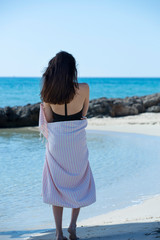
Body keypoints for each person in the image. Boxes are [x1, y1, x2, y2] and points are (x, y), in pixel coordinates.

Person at [39, 51, 96, 240]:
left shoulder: (48, 92)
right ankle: (72, 226)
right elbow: (83, 113)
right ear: (72, 69)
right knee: (78, 180)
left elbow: (48, 119)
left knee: (57, 184)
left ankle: (58, 232)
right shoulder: (84, 88)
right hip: (76, 141)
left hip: (57, 142)